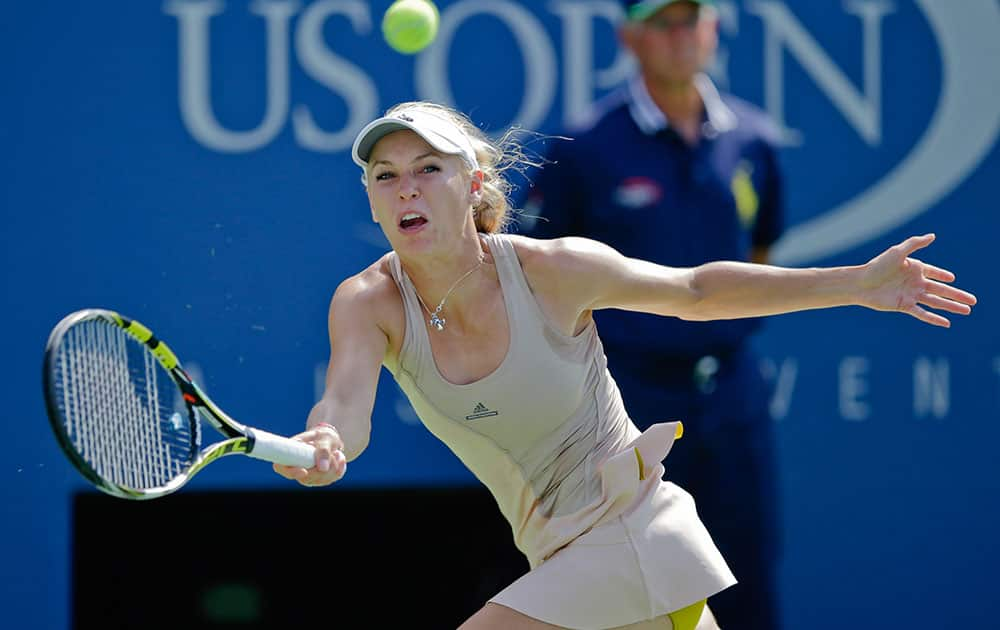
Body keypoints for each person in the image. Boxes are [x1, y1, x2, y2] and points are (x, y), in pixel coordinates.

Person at [272, 99, 976, 630]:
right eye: (385, 176)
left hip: (634, 535)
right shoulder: (367, 302)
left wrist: (856, 284)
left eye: (430, 169)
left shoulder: (556, 271)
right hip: (559, 558)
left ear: (476, 184)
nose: (407, 191)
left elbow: (696, 290)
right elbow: (344, 405)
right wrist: (326, 441)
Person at [518, 1, 786, 626]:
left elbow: (762, 251)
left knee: (747, 570)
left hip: (733, 395)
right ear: (630, 38)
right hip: (626, 399)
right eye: (662, 23)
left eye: (691, 20)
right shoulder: (585, 147)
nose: (680, 37)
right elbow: (539, 275)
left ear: (713, 29)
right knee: (629, 582)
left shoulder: (756, 140)